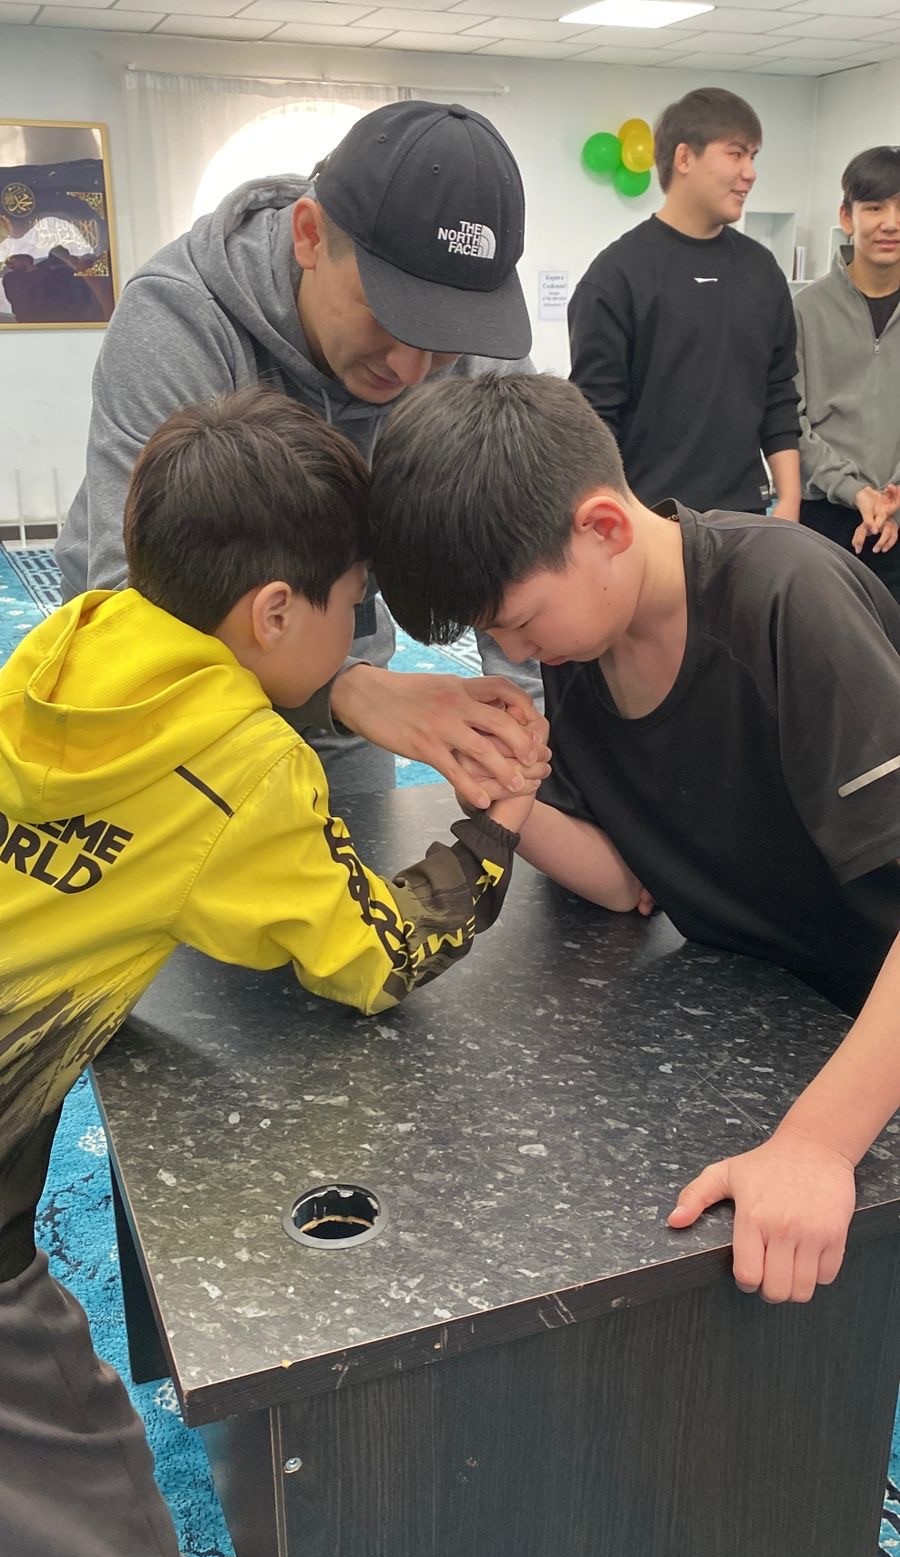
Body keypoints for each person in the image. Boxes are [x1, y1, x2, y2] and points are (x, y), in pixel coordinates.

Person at [0, 388, 546, 1557]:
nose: (363, 639)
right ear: (277, 612)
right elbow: (371, 956)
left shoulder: (72, 638)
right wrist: (495, 829)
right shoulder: (249, 767)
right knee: (111, 1546)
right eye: (356, 606)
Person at [367, 370, 900, 1309]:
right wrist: (508, 797)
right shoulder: (584, 648)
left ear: (605, 527)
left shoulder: (787, 598)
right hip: (781, 1017)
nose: (517, 653)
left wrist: (819, 1143)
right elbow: (629, 881)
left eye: (518, 623)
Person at [55, 98, 542, 799]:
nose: (412, 369)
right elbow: (131, 599)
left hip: (339, 657)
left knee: (350, 851)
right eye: (390, 316)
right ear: (309, 237)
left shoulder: (472, 346)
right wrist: (347, 687)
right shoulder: (178, 318)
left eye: (445, 336)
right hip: (164, 681)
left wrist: (525, 744)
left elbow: (524, 543)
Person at [568, 87, 801, 519]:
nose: (750, 173)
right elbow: (594, 419)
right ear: (684, 158)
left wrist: (789, 501)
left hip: (747, 518)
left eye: (753, 156)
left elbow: (779, 394)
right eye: (735, 154)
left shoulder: (762, 271)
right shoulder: (617, 275)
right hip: (649, 517)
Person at [795, 145, 900, 604]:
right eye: (874, 207)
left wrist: (893, 501)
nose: (891, 223)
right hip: (824, 518)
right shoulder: (804, 310)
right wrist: (855, 492)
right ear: (847, 217)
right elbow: (788, 421)